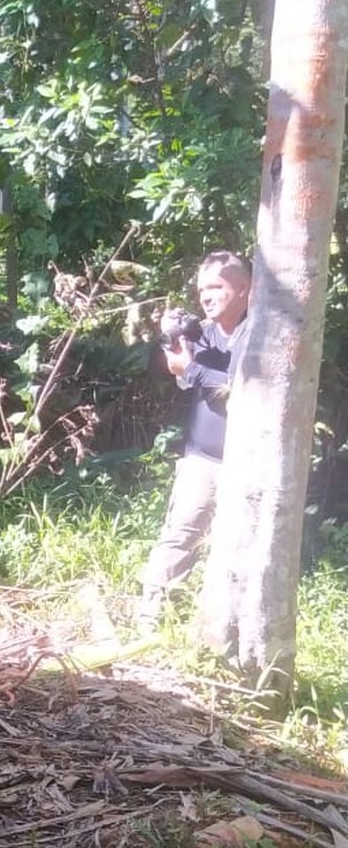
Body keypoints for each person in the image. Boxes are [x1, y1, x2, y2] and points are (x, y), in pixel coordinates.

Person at [138, 250, 252, 628]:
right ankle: (151, 617)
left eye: (216, 286)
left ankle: (222, 629)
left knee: (239, 549)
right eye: (202, 288)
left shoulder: (259, 333)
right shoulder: (203, 331)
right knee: (179, 535)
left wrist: (192, 368)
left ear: (243, 288)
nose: (205, 296)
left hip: (248, 462)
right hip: (202, 458)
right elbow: (180, 377)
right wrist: (171, 341)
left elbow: (242, 392)